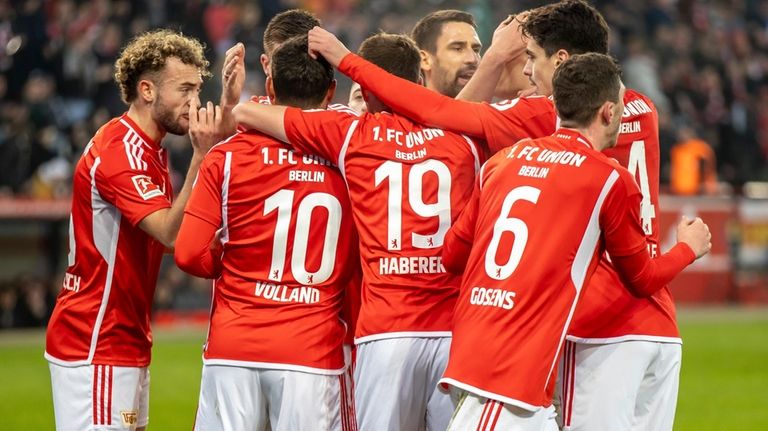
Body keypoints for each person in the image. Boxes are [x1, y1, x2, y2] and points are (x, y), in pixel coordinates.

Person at [308, 1, 684, 428]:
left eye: (531, 59)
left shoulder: (545, 119)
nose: (527, 71)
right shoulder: (643, 109)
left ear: (561, 62)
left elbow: (438, 116)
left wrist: (346, 60)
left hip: (592, 323)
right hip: (658, 324)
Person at [439, 53, 711, 430]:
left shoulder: (501, 163)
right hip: (507, 377)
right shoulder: (607, 178)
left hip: (496, 361)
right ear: (607, 112)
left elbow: (452, 254)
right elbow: (642, 279)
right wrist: (687, 248)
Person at [233, 32, 482, 431]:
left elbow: (247, 114)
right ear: (418, 81)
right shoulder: (464, 138)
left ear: (365, 92)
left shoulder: (351, 134)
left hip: (386, 331)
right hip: (453, 330)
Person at [45, 29, 238, 431]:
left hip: (124, 337)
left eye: (197, 89)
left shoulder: (149, 149)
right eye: (184, 89)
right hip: (96, 340)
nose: (194, 102)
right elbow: (169, 232)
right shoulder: (119, 151)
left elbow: (163, 238)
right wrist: (203, 156)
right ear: (147, 90)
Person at [175, 35, 357, 431]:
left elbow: (188, 254)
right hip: (310, 351)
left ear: (270, 88)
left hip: (233, 347)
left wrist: (234, 262)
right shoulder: (350, 162)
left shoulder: (225, 157)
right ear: (331, 92)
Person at [411, 10, 482, 97]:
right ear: (425, 60)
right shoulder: (400, 109)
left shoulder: (492, 109)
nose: (472, 59)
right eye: (458, 49)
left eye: (476, 50)